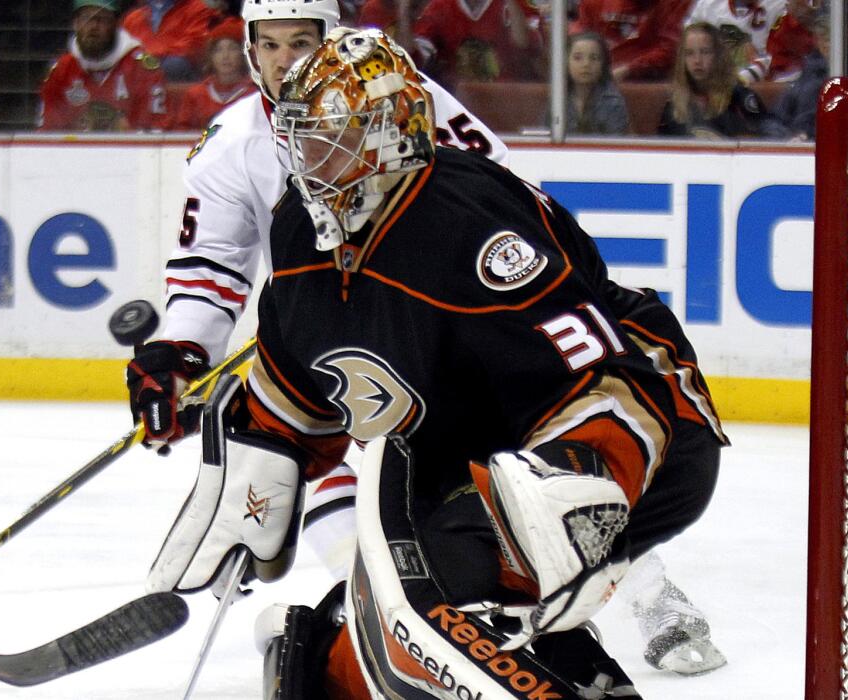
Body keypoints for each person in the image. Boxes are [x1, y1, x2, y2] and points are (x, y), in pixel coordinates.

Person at [146, 29, 728, 698]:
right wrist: (255, 465)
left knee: (451, 570)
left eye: (331, 134)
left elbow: (609, 379)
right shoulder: (298, 233)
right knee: (383, 611)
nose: (307, 154)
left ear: (389, 134)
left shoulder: (465, 220)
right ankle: (323, 664)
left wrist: (581, 480)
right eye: (301, 134)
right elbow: (295, 404)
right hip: (465, 450)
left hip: (647, 429)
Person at [38, 0, 170, 132]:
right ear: (76, 23)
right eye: (86, 18)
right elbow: (47, 134)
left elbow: (155, 133)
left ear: (115, 24)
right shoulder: (61, 70)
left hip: (129, 151)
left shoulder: (142, 69)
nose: (93, 26)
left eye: (101, 19)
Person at [657, 21, 791, 138]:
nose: (697, 61)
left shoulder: (738, 97)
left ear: (718, 56)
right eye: (689, 53)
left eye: (705, 52)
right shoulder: (674, 106)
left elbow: (769, 134)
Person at [776, 0, 848, 138]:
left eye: (829, 34)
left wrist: (808, 136)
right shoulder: (813, 66)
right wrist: (786, 136)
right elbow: (778, 117)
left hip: (840, 152)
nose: (824, 43)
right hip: (796, 148)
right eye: (821, 34)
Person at [411, 0, 547, 89]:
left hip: (508, 103)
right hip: (459, 104)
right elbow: (414, 59)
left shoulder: (518, 5)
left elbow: (527, 46)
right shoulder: (438, 8)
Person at [571, 0, 694, 81]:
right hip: (597, 77)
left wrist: (629, 69)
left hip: (650, 80)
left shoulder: (671, 4)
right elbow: (577, 39)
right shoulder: (594, 3)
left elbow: (670, 49)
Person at [170, 18, 253, 130]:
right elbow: (183, 134)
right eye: (218, 50)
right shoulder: (196, 94)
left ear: (243, 54)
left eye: (232, 48)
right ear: (210, 56)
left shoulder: (254, 94)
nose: (225, 56)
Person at [547, 30, 630, 134]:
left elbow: (614, 144)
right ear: (566, 62)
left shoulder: (613, 101)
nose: (586, 64)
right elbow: (544, 137)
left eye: (594, 58)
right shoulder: (557, 98)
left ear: (603, 66)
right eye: (578, 58)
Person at [120, 0, 223, 81]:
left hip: (179, 75)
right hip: (140, 75)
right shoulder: (132, 19)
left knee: (175, 64)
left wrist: (152, 55)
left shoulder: (197, 9)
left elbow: (194, 45)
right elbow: (123, 52)